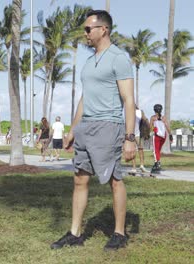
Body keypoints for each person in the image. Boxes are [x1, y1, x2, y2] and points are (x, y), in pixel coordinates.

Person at [51, 10, 136, 251]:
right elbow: (84, 99)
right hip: (86, 126)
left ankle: (119, 233)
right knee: (79, 180)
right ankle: (75, 233)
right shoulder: (89, 63)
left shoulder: (118, 58)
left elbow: (128, 99)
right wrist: (73, 130)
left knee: (114, 180)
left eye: (88, 29)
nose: (85, 33)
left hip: (109, 125)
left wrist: (130, 138)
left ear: (103, 29)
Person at [149, 104, 172, 174]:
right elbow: (167, 126)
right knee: (158, 150)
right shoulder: (164, 118)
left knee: (155, 151)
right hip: (163, 136)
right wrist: (170, 135)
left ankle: (157, 164)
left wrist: (154, 129)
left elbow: (150, 127)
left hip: (157, 135)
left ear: (154, 110)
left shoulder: (153, 118)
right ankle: (157, 162)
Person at [131, 106, 150, 173]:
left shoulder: (139, 112)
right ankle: (137, 166)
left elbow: (145, 120)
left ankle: (137, 167)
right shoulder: (137, 112)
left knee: (138, 150)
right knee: (138, 150)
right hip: (134, 133)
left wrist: (147, 131)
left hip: (136, 133)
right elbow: (146, 120)